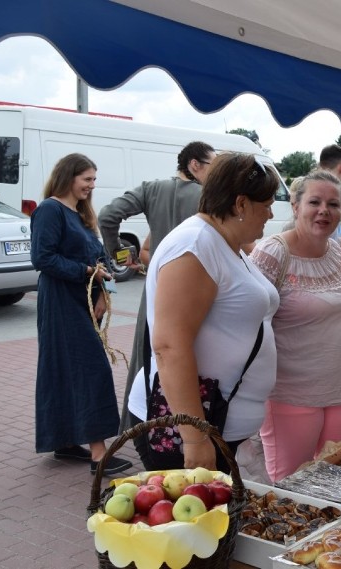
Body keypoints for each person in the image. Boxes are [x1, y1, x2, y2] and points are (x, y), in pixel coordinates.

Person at [126, 152, 280, 471]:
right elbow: (170, 346)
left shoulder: (221, 242)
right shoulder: (195, 245)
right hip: (193, 429)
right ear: (240, 204)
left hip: (218, 423)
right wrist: (195, 438)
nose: (270, 213)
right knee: (194, 522)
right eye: (266, 205)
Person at [249, 170, 341, 482]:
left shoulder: (337, 250)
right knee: (292, 488)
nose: (325, 210)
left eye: (333, 204)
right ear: (296, 207)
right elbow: (251, 323)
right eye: (315, 201)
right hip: (290, 396)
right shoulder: (273, 252)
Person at [98, 141, 216, 432]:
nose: (215, 174)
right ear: (195, 164)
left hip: (156, 289)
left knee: (146, 357)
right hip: (197, 292)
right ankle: (189, 428)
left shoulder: (151, 189)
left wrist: (118, 254)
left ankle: (137, 426)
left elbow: (107, 215)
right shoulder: (210, 197)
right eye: (212, 166)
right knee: (194, 357)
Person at [30, 153, 133, 476]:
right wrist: (86, 271)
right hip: (61, 300)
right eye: (87, 179)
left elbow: (98, 255)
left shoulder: (80, 212)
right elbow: (43, 258)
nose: (92, 185)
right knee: (91, 369)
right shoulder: (50, 209)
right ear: (68, 177)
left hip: (83, 298)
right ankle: (98, 454)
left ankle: (63, 440)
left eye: (93, 179)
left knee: (63, 368)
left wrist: (104, 288)